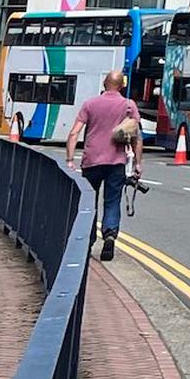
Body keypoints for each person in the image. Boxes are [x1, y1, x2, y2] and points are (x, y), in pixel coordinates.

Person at [64, 70, 144, 262]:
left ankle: (88, 240)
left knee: (89, 203)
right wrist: (138, 164)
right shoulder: (128, 105)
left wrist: (69, 159)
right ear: (121, 86)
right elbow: (136, 137)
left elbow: (74, 133)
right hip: (116, 162)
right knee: (112, 201)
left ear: (104, 83)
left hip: (91, 161)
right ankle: (109, 235)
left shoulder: (90, 104)